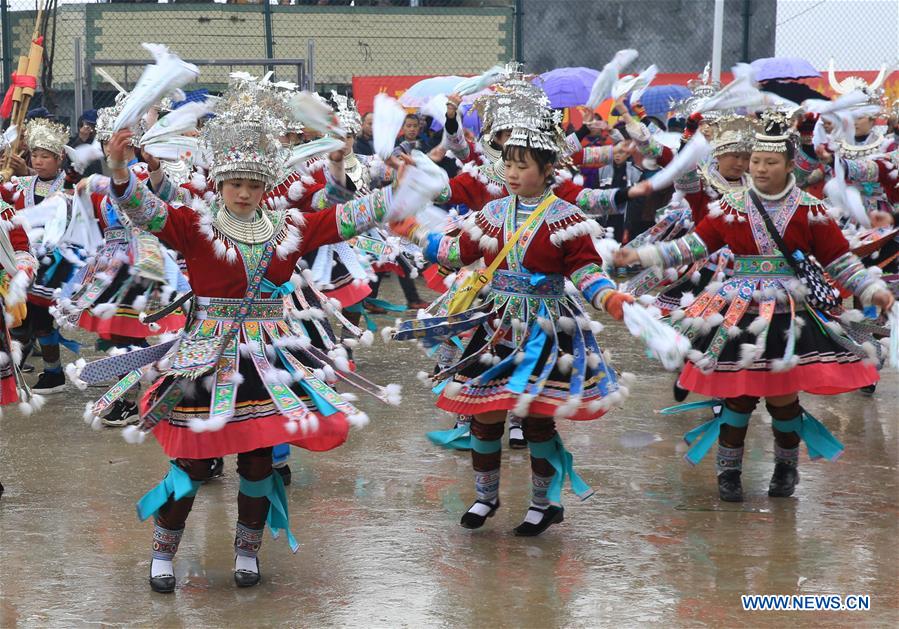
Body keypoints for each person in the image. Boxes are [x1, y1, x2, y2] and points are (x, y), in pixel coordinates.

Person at [89, 79, 443, 593]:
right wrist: (119, 168)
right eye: (236, 183)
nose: (245, 193)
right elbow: (146, 211)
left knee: (258, 461)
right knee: (189, 459)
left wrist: (402, 188)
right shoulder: (194, 223)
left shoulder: (289, 225)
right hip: (206, 353)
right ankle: (163, 553)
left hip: (266, 354)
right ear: (219, 181)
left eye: (254, 184)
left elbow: (348, 218)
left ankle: (246, 552)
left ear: (264, 185)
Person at [613, 111, 895, 502]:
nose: (760, 168)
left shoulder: (809, 211)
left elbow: (840, 261)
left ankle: (786, 468)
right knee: (737, 398)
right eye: (756, 160)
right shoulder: (731, 207)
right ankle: (728, 473)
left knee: (783, 400)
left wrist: (871, 288)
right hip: (738, 310)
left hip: (786, 313)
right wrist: (642, 255)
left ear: (790, 166)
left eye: (770, 162)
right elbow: (693, 246)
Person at [393, 97, 635, 536]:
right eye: (508, 164)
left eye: (523, 166)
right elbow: (457, 252)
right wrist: (411, 231)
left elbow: (584, 271)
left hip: (547, 325)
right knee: (485, 415)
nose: (512, 173)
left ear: (546, 170)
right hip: (496, 323)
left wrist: (609, 299)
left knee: (538, 417)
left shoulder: (567, 218)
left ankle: (542, 503)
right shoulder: (491, 213)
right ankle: (486, 497)